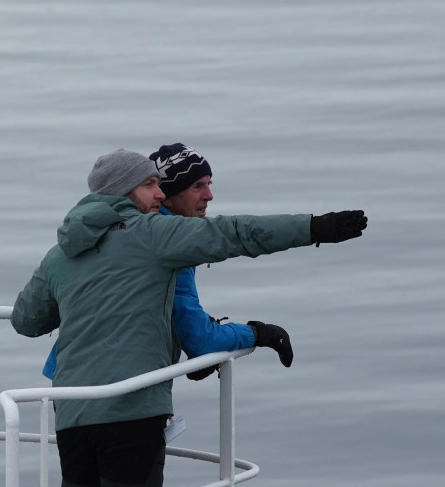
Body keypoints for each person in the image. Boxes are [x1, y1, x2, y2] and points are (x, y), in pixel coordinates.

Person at [11, 149, 366, 487]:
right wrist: (315, 228)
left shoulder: (62, 252)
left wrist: (81, 299)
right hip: (131, 410)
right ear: (124, 191)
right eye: (150, 185)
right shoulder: (153, 234)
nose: (160, 193)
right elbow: (234, 234)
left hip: (72, 411)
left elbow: (26, 320)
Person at [41, 143, 289, 382]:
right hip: (118, 383)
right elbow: (202, 340)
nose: (209, 196)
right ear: (166, 198)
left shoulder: (99, 232)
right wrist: (259, 333)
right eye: (197, 186)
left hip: (66, 377)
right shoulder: (165, 245)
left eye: (209, 184)